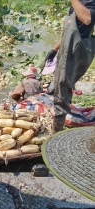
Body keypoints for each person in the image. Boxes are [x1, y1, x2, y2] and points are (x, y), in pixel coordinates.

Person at [45, 0, 95, 132]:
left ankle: (57, 131)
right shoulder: (79, 3)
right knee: (60, 83)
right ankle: (62, 118)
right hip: (67, 47)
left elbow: (87, 19)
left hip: (77, 49)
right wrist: (54, 50)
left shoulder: (90, 2)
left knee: (62, 84)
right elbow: (69, 30)